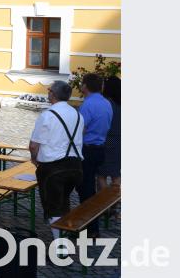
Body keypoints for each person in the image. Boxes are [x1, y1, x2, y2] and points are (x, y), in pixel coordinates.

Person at [29, 81, 83, 254]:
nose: (48, 92)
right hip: (75, 166)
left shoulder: (47, 115)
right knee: (63, 202)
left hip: (53, 168)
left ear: (53, 94)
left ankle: (61, 250)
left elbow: (33, 145)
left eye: (49, 90)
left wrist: (34, 159)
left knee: (53, 207)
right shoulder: (77, 114)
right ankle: (64, 238)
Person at [76, 73, 113, 237]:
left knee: (86, 190)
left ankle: (90, 228)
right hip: (100, 149)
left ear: (85, 86)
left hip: (88, 150)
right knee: (88, 188)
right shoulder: (106, 103)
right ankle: (89, 226)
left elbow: (81, 130)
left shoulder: (88, 105)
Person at [99, 76, 121, 219]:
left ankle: (104, 206)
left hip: (107, 140)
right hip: (120, 141)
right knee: (116, 175)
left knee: (101, 175)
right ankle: (114, 205)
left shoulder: (107, 104)